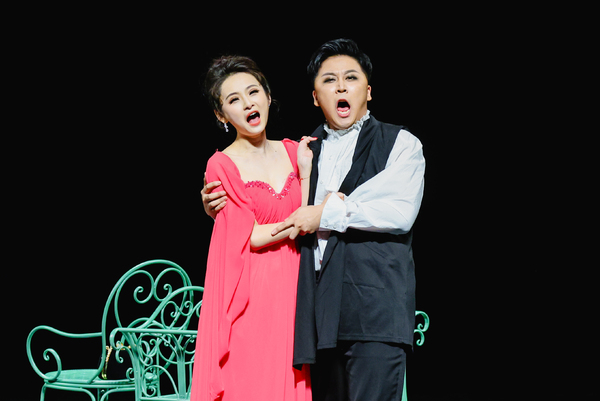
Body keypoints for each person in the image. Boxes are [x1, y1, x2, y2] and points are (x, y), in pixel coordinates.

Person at [202, 39, 425, 401]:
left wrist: (324, 213)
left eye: (351, 78)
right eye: (329, 80)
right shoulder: (307, 149)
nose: (341, 87)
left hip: (373, 314)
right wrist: (218, 209)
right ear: (315, 97)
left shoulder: (400, 144)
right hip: (313, 318)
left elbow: (399, 212)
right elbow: (251, 214)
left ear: (369, 91)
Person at [191, 55, 313, 401]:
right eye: (233, 99)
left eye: (253, 92)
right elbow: (254, 236)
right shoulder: (221, 165)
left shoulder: (295, 152)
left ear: (268, 97)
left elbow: (313, 219)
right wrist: (300, 221)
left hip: (298, 288)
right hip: (253, 294)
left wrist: (305, 174)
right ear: (221, 115)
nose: (247, 103)